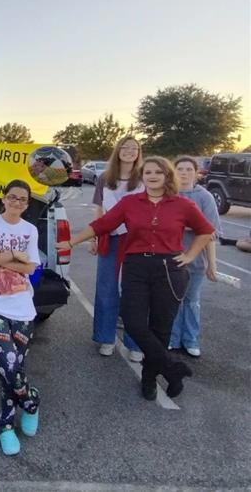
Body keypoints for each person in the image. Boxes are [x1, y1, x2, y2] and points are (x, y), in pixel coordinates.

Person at [57, 157, 214, 401]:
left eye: (157, 172)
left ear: (167, 176)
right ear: (142, 177)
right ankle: (172, 368)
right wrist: (71, 242)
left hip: (169, 270)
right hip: (136, 268)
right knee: (133, 323)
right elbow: (102, 224)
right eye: (147, 172)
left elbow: (206, 231)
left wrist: (190, 255)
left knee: (160, 329)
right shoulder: (130, 203)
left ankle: (149, 380)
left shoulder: (182, 204)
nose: (152, 176)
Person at [0, 179, 41, 456]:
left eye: (22, 199)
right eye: (12, 197)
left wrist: (1, 257)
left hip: (22, 306)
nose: (16, 202)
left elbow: (30, 268)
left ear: (27, 204)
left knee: (9, 371)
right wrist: (14, 254)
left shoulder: (30, 230)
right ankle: (29, 402)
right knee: (9, 363)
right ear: (3, 199)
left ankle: (8, 421)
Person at [90, 135, 144, 361]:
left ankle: (135, 343)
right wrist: (95, 236)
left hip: (137, 241)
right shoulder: (105, 178)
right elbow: (99, 209)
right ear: (118, 150)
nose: (129, 151)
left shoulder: (143, 177)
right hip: (110, 239)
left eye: (134, 148)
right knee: (107, 288)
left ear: (139, 152)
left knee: (136, 292)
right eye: (125, 147)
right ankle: (106, 338)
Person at [169, 156, 221, 357]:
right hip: (171, 259)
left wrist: (212, 265)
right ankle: (172, 338)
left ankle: (190, 339)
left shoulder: (204, 197)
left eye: (188, 169)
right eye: (179, 168)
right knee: (174, 300)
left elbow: (210, 233)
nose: (184, 172)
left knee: (191, 301)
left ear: (196, 172)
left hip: (196, 260)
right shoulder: (168, 195)